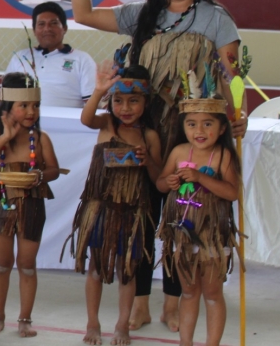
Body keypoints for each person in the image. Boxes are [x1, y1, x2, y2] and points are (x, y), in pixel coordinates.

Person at [70, 0, 245, 332]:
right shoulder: (141, 15)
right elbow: (84, 13)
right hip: (145, 130)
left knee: (181, 215)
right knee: (144, 214)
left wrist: (236, 115)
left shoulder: (216, 19)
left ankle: (173, 300)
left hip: (192, 134)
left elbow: (232, 77)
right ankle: (143, 301)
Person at [70, 58, 162, 346]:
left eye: (133, 101)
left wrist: (148, 163)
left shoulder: (149, 136)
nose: (125, 108)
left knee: (127, 271)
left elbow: (159, 180)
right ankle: (93, 322)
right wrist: (98, 91)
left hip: (132, 213)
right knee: (96, 268)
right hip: (100, 209)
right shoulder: (106, 122)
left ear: (146, 102)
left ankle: (123, 325)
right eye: (118, 100)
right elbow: (86, 119)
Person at [0, 73, 60, 338]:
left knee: (27, 264)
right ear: (8, 108)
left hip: (32, 204)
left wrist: (41, 176)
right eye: (24, 106)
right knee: (2, 263)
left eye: (35, 106)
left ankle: (24, 318)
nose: (31, 111)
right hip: (2, 203)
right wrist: (5, 136)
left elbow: (54, 169)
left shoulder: (40, 138)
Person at [157, 89, 239, 346]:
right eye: (192, 124)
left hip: (212, 235)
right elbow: (160, 184)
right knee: (189, 292)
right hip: (183, 233)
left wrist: (202, 178)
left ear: (222, 128)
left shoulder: (224, 157)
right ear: (184, 126)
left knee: (213, 294)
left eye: (207, 123)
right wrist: (168, 181)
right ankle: (186, 342)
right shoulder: (179, 152)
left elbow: (232, 192)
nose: (199, 130)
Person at [5, 2, 97, 108]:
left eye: (53, 23)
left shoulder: (82, 59)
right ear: (34, 31)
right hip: (24, 122)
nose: (47, 29)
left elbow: (92, 104)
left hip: (64, 123)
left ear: (65, 28)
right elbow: (5, 98)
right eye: (41, 24)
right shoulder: (20, 57)